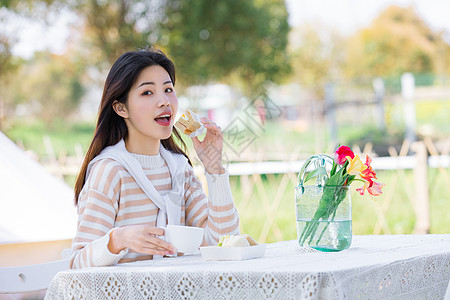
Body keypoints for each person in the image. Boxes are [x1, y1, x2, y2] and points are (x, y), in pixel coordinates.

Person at [70, 48, 240, 268]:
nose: (164, 101)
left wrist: (214, 167)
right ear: (121, 108)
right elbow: (77, 264)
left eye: (168, 89)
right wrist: (118, 239)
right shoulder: (110, 171)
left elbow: (222, 244)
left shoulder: (180, 170)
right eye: (147, 92)